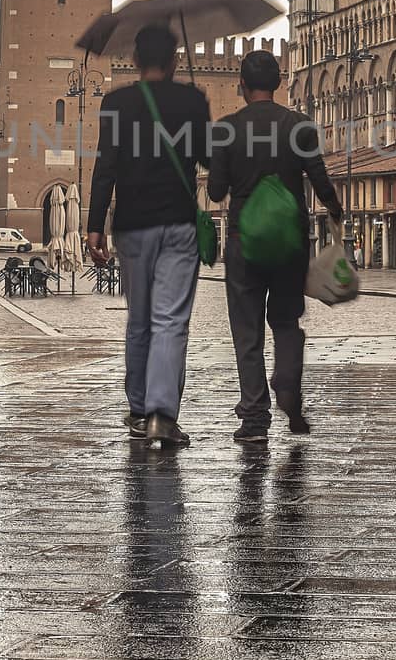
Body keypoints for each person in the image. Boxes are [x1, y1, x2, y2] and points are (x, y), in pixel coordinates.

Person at [207, 50, 341, 443]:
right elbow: (319, 178)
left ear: (241, 86)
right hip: (289, 241)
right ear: (280, 83)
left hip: (242, 241)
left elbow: (215, 192)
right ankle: (288, 387)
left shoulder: (226, 129)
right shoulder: (299, 125)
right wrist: (335, 208)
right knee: (285, 322)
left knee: (247, 330)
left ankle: (254, 419)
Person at [87, 24, 210, 448]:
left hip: (132, 225)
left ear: (135, 61)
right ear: (176, 60)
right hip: (178, 223)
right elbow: (207, 155)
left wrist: (93, 225)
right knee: (171, 320)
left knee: (139, 319)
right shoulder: (192, 99)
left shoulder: (116, 103)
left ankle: (139, 410)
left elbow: (105, 167)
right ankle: (161, 414)